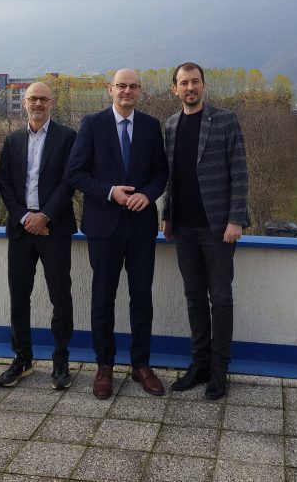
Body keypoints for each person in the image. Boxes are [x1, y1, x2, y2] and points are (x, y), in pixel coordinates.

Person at [66, 68, 169, 399]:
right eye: (121, 86)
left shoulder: (152, 127)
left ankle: (141, 365)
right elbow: (75, 173)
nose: (127, 91)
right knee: (103, 298)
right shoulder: (92, 124)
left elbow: (160, 173)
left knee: (141, 298)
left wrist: (147, 194)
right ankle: (104, 366)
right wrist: (111, 192)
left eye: (133, 86)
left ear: (140, 92)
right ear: (110, 90)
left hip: (140, 226)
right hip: (104, 226)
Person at [162, 62, 249, 400]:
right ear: (175, 89)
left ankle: (219, 370)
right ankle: (198, 365)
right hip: (184, 228)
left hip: (218, 229)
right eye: (183, 83)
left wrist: (235, 219)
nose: (190, 88)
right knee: (194, 297)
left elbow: (239, 172)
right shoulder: (170, 125)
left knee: (221, 298)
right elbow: (172, 177)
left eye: (195, 82)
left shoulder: (225, 120)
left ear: (204, 85)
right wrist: (167, 217)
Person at [0, 82, 77, 390]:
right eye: (33, 99)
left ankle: (60, 361)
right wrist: (25, 216)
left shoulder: (67, 137)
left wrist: (45, 216)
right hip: (21, 229)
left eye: (43, 99)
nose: (38, 103)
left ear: (51, 103)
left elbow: (70, 181)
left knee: (60, 296)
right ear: (24, 103)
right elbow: (4, 181)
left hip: (54, 228)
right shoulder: (13, 139)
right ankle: (23, 358)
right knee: (19, 296)